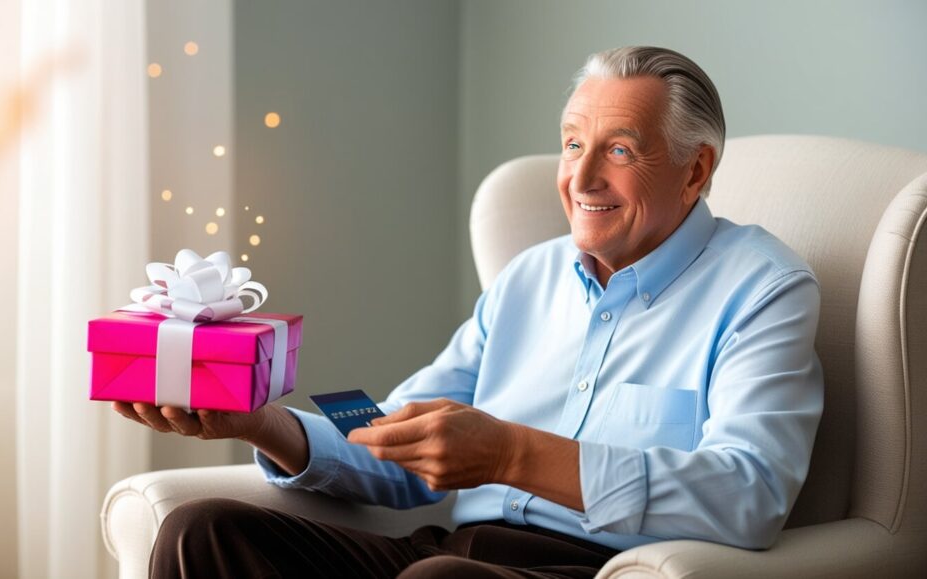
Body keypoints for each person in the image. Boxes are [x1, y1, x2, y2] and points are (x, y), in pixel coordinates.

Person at [115, 46, 823, 578]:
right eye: (573, 143)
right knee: (199, 531)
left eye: (619, 150)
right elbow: (400, 435)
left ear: (695, 170)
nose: (580, 177)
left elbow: (749, 494)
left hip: (589, 571)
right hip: (449, 554)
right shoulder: (530, 277)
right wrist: (263, 423)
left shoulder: (762, 288)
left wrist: (514, 453)